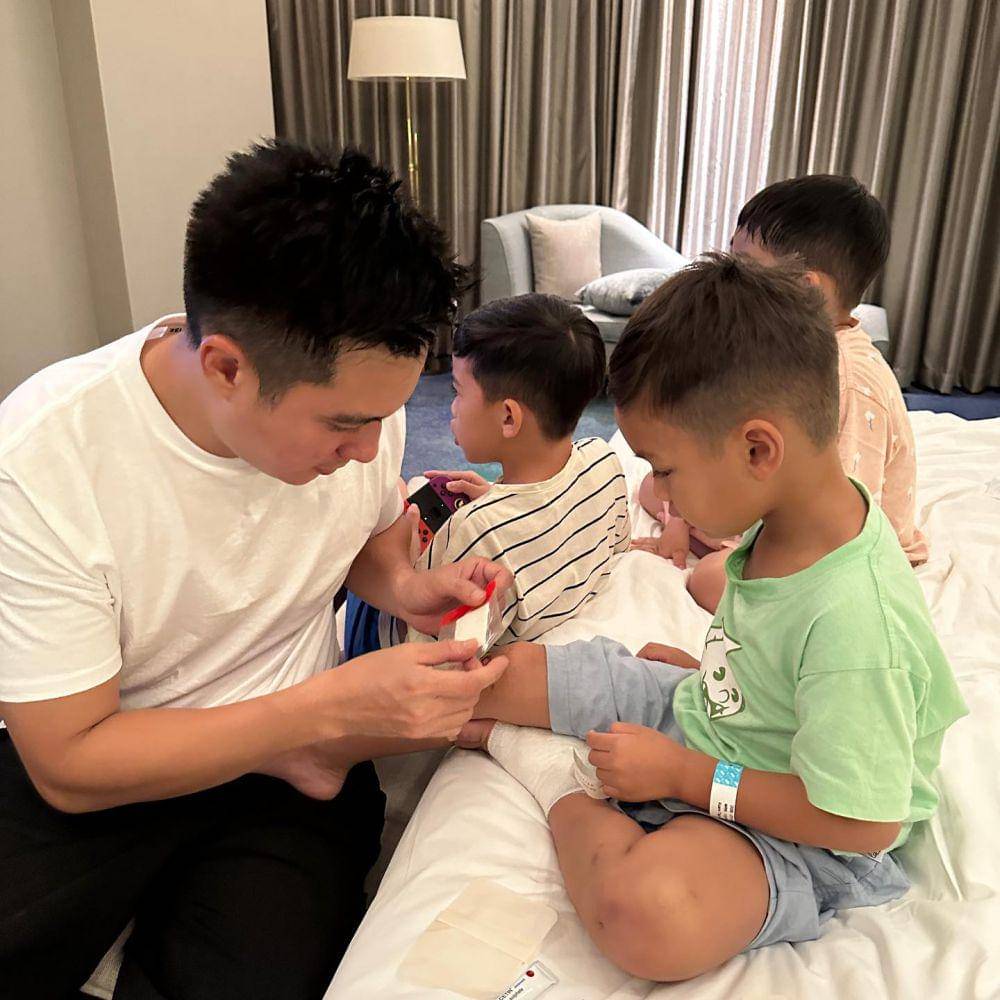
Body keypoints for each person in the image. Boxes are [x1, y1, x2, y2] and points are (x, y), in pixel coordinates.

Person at [0, 141, 511, 1000]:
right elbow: (68, 762)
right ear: (227, 368)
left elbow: (369, 533)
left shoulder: (364, 405)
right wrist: (320, 717)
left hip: (285, 780)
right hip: (117, 759)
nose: (369, 450)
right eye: (343, 426)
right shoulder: (45, 460)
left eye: (385, 418)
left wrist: (404, 586)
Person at [452, 255, 967, 982]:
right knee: (497, 675)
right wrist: (720, 673)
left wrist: (686, 775)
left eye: (664, 469)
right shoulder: (793, 512)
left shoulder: (859, 625)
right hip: (717, 716)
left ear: (757, 448)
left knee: (648, 914)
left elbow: (864, 822)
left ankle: (551, 774)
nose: (656, 493)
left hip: (800, 826)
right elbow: (778, 642)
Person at [344, 293, 630, 659]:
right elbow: (616, 543)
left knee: (393, 498)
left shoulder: (476, 530)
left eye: (458, 391)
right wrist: (499, 496)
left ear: (508, 417)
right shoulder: (604, 460)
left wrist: (409, 554)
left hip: (385, 641)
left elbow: (427, 640)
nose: (452, 406)